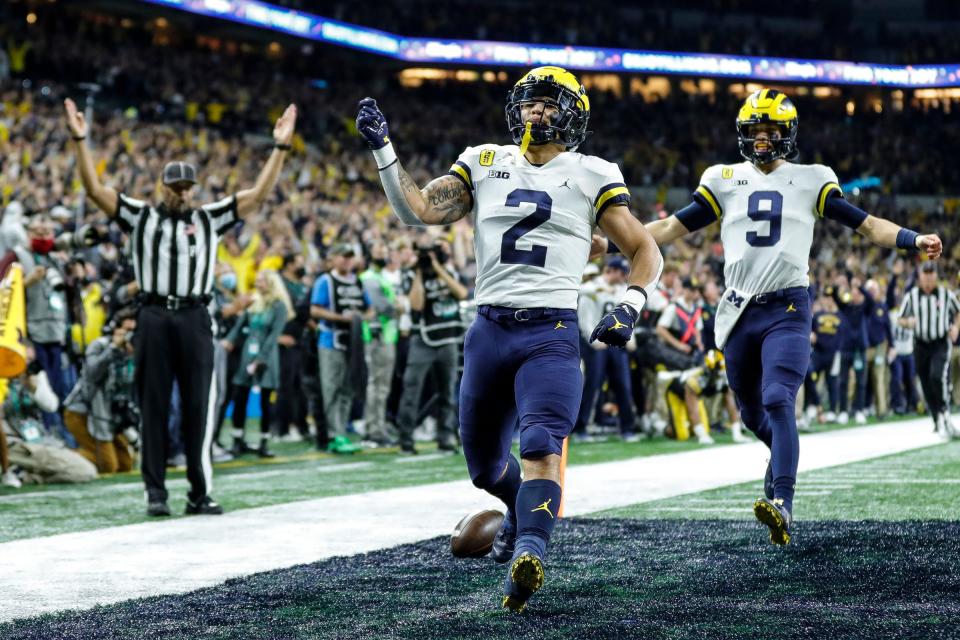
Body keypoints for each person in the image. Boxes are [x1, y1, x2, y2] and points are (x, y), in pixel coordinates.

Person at [357, 65, 663, 612]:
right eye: (530, 102)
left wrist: (629, 305)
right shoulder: (483, 161)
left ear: (573, 115)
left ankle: (529, 553)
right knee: (484, 467)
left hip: (551, 330)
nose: (536, 112)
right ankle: (519, 512)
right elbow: (419, 211)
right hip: (489, 329)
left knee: (543, 444)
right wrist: (384, 150)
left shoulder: (592, 173)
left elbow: (645, 249)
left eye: (548, 103)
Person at [642, 88, 942, 545]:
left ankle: (783, 501)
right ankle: (780, 459)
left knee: (779, 397)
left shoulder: (811, 179)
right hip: (740, 308)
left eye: (770, 131)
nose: (762, 139)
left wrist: (912, 238)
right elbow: (668, 228)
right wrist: (620, 240)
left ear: (787, 134)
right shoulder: (723, 178)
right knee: (750, 414)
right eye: (754, 131)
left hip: (787, 306)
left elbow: (865, 224)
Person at [64, 97, 297, 516]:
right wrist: (81, 140)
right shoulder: (140, 216)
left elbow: (257, 195)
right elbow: (95, 190)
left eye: (189, 187)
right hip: (152, 315)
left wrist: (279, 148)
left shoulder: (208, 218)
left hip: (194, 315)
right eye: (177, 188)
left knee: (198, 407)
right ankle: (156, 493)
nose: (185, 193)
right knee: (152, 404)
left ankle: (198, 491)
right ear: (163, 188)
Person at [395, 238, 467, 454]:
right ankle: (406, 439)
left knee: (447, 392)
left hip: (447, 341)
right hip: (422, 340)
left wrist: (437, 268)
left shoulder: (448, 271)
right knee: (411, 391)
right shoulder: (410, 274)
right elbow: (416, 305)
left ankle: (445, 438)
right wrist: (419, 271)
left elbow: (461, 293)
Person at [223, 270, 294, 458]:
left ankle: (264, 442)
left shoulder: (279, 306)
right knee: (240, 396)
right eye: (257, 281)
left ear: (271, 283)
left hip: (268, 357)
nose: (258, 284)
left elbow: (273, 336)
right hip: (248, 354)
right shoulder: (253, 303)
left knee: (265, 400)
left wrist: (261, 359)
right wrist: (228, 341)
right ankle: (237, 440)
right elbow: (239, 326)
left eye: (262, 281)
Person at [309, 244, 371, 454]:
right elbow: (315, 310)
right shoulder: (325, 281)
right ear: (333, 259)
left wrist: (360, 318)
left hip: (353, 343)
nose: (346, 261)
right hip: (330, 340)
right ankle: (333, 434)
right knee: (331, 388)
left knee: (347, 388)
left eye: (349, 257)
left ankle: (341, 431)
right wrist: (343, 318)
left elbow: (369, 309)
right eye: (343, 257)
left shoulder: (357, 282)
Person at [63, 307, 138, 474]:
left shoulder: (136, 353)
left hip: (109, 417)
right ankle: (62, 458)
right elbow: (92, 374)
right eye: (126, 330)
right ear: (115, 330)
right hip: (83, 412)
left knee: (125, 464)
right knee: (108, 466)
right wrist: (113, 348)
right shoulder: (99, 346)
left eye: (134, 331)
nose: (130, 335)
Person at [575, 255, 636, 442]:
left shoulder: (619, 290)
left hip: (615, 343)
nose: (624, 277)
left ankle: (627, 428)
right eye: (622, 273)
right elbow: (585, 317)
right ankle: (582, 428)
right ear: (613, 271)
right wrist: (593, 340)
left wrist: (629, 336)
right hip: (597, 344)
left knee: (623, 385)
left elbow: (628, 313)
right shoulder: (591, 288)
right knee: (592, 386)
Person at [897, 261, 960, 440]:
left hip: (940, 343)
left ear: (936, 278)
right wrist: (908, 323)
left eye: (931, 278)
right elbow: (901, 318)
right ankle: (937, 419)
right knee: (925, 383)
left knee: (936, 376)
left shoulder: (946, 295)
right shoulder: (912, 296)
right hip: (920, 345)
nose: (927, 283)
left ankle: (944, 413)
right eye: (925, 278)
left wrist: (955, 328)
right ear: (920, 278)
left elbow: (958, 312)